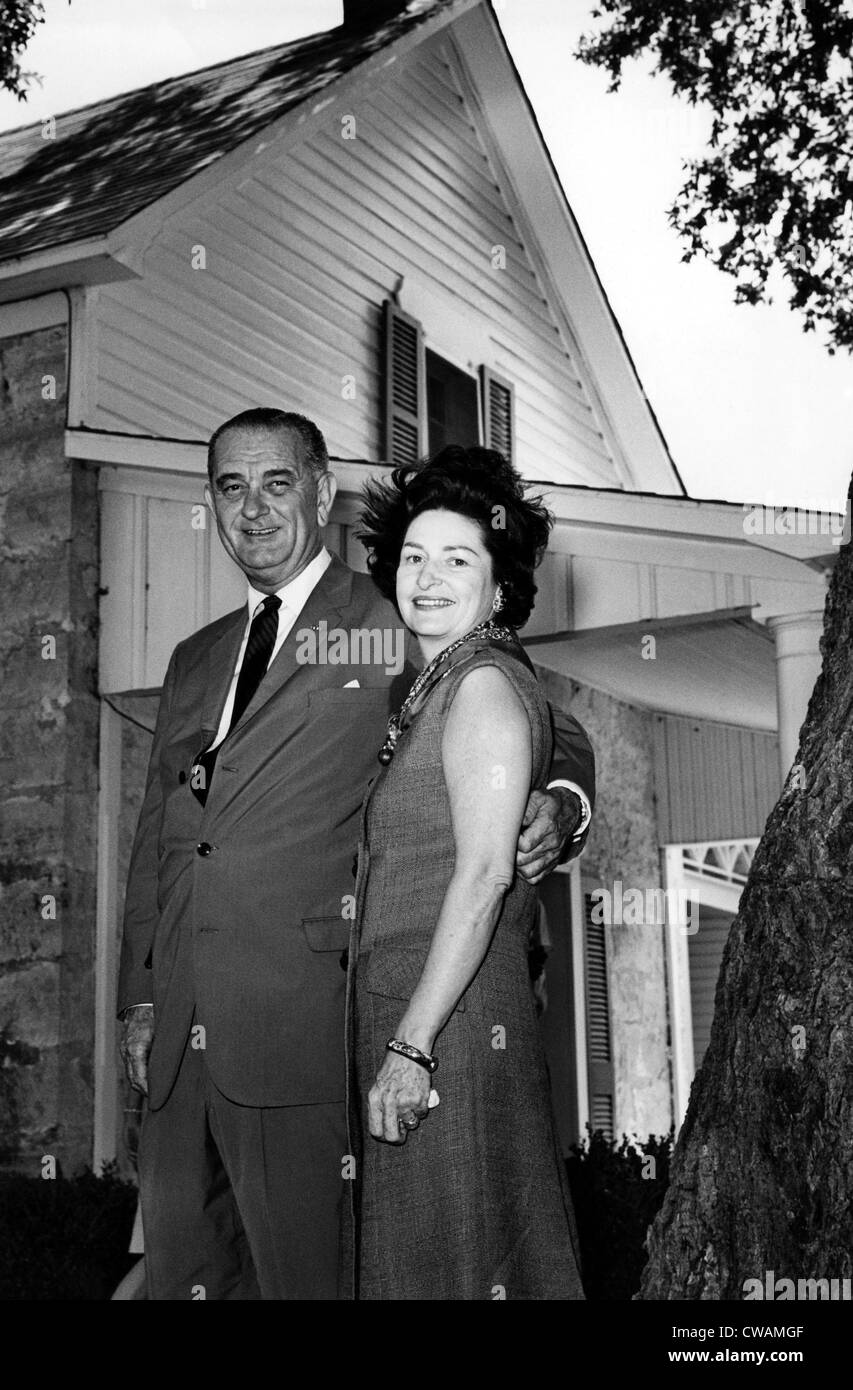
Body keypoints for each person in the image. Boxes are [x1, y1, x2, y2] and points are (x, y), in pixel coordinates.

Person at [117, 408, 594, 1301]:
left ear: (322, 490)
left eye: (277, 482)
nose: (253, 509)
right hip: (178, 1029)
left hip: (302, 1021)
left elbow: (532, 715)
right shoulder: (193, 657)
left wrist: (560, 803)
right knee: (186, 1276)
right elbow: (163, 834)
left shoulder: (396, 607)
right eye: (230, 486)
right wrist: (139, 997)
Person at [345, 446, 584, 1300]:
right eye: (413, 557)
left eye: (457, 559)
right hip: (420, 1009)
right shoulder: (434, 683)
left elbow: (484, 877)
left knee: (454, 1261)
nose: (427, 576)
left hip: (445, 1022)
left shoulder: (480, 684)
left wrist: (411, 1047)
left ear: (500, 585)